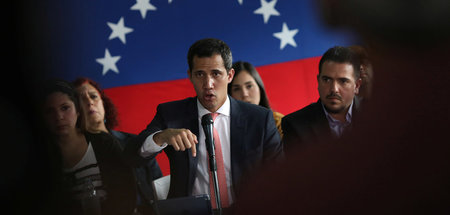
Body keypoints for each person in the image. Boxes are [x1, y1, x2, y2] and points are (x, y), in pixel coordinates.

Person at [124, 38, 283, 211]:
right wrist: (160, 137)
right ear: (190, 76)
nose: (208, 84)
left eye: (216, 74)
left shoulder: (259, 119)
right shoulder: (171, 114)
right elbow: (132, 156)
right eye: (200, 74)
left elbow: (280, 174)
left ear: (229, 75)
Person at [41, 79, 136, 215]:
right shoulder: (39, 156)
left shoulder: (104, 143)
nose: (59, 117)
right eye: (50, 111)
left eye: (65, 108)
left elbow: (126, 193)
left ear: (78, 110)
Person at [73, 77, 163, 214]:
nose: (89, 102)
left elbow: (160, 186)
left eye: (93, 96)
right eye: (81, 99)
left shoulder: (135, 141)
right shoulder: (77, 152)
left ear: (104, 104)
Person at [281, 46, 361, 151]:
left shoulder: (380, 117)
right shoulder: (295, 124)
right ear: (318, 81)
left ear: (357, 85)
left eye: (343, 81)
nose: (334, 89)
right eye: (327, 80)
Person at [228, 61, 284, 138]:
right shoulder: (225, 128)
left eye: (249, 86)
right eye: (237, 89)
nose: (244, 94)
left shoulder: (278, 122)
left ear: (259, 87)